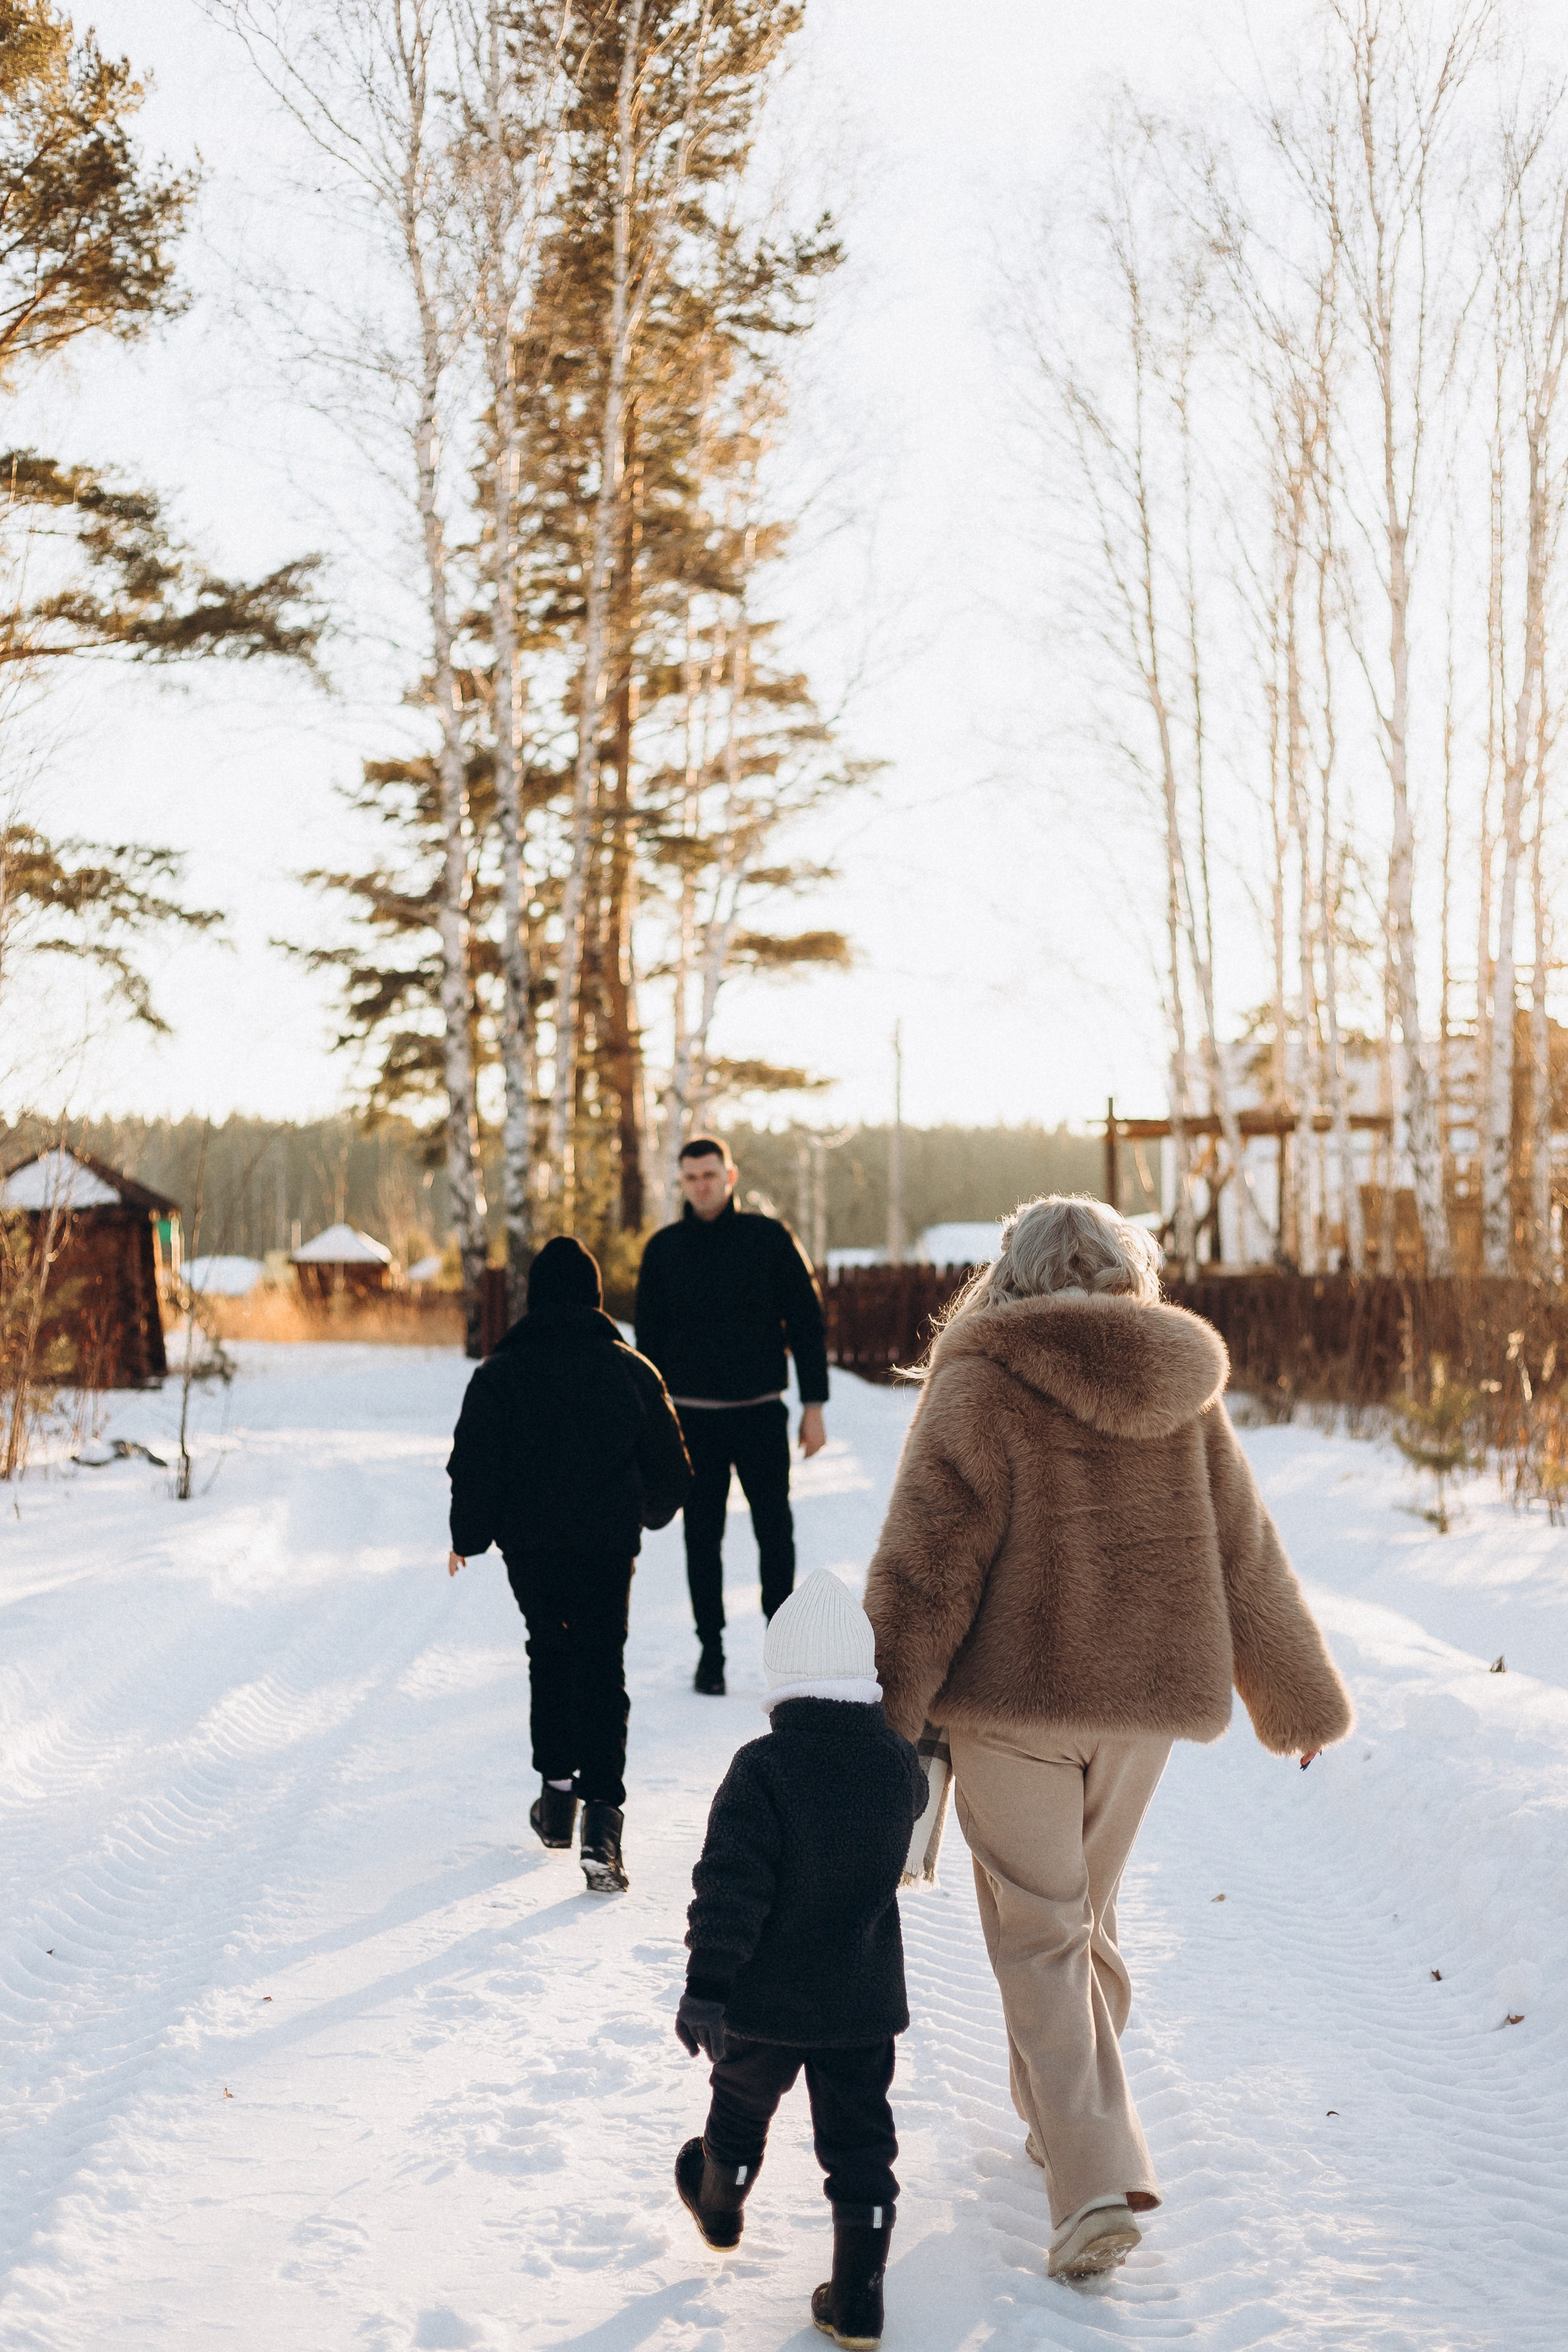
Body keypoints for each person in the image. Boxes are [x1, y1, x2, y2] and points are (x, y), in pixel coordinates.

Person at [862, 1196, 1352, 2282]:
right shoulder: (1182, 1387)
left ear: (1010, 1275)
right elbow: (1246, 1553)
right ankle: (1059, 2113)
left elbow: (926, 1566)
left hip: (1014, 1706)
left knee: (1041, 1931)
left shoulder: (978, 1382)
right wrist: (1298, 1702)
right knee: (1083, 1918)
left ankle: (1092, 2182)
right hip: (1142, 1713)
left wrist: (884, 1715)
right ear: (1131, 1272)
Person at [672, 1570, 926, 2351]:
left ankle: (719, 2205)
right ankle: (857, 2301)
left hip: (765, 2003)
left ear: (781, 1678)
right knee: (861, 2145)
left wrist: (707, 1985)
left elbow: (730, 1885)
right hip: (860, 2002)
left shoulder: (763, 1768)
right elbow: (913, 1810)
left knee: (739, 2107)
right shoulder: (897, 1765)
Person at [446, 1234, 690, 1894]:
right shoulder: (631, 1370)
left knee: (549, 1652)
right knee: (602, 1663)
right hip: (606, 1546)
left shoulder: (500, 1373)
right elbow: (673, 1472)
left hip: (531, 1550)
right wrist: (643, 1511)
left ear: (534, 1298)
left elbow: (474, 1463)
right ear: (595, 1297)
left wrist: (468, 1537)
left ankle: (557, 1801)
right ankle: (602, 1824)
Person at [635, 1134, 829, 1698]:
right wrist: (652, 1426)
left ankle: (782, 1653)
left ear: (730, 1176)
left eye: (710, 1176)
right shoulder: (664, 1249)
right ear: (682, 1182)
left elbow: (807, 1323)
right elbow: (648, 1346)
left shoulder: (769, 1239)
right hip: (692, 1421)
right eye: (692, 1178)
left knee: (775, 1532)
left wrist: (813, 1407)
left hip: (760, 1413)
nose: (702, 1186)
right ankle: (711, 1653)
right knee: (702, 1537)